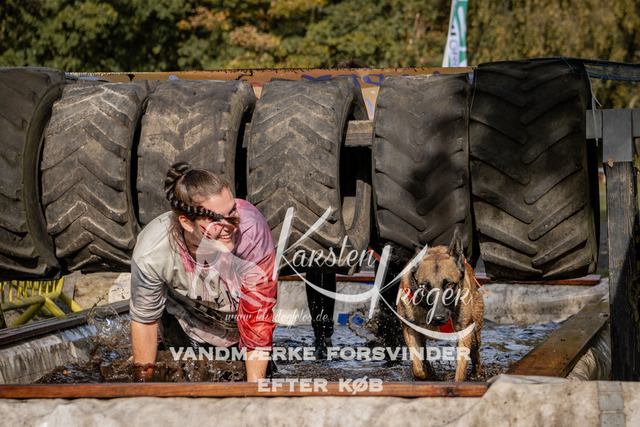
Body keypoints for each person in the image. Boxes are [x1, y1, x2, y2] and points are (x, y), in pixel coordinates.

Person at [129, 162, 277, 382]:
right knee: (189, 381)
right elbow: (145, 321)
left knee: (256, 380)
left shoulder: (251, 232)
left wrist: (255, 388)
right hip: (186, 323)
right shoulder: (153, 250)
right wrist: (142, 384)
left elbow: (258, 319)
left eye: (232, 211)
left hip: (236, 325)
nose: (230, 225)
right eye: (215, 219)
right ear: (187, 223)